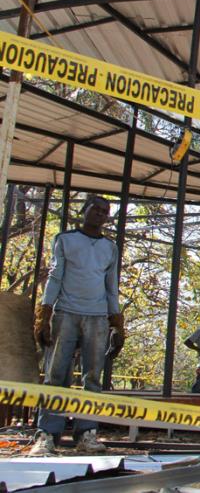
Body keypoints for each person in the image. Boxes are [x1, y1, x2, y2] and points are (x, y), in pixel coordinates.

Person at [30, 195, 125, 456]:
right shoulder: (66, 240)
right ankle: (47, 434)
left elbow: (111, 287)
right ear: (84, 211)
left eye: (105, 212)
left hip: (96, 317)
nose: (100, 215)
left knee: (92, 378)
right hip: (66, 314)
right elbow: (54, 276)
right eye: (96, 209)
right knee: (55, 375)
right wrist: (45, 314)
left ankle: (87, 433)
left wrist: (116, 324)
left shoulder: (110, 248)